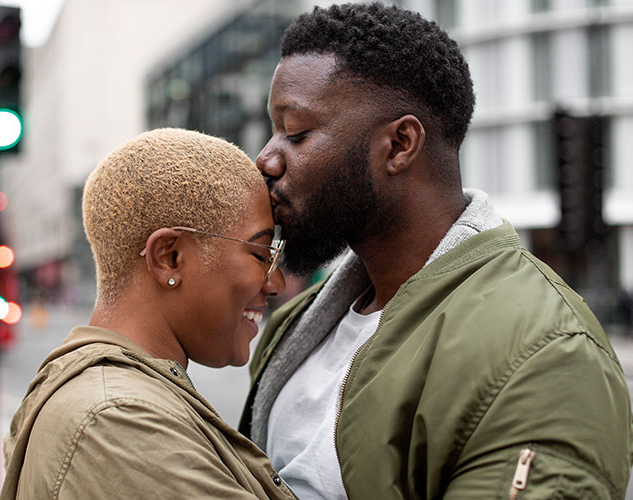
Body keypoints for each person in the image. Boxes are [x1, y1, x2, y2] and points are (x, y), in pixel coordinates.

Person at [239, 3, 633, 499]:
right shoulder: (294, 325)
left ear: (400, 144)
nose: (266, 158)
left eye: (295, 133)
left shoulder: (547, 353)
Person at [0, 128, 296, 499]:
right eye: (260, 255)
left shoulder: (112, 401)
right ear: (168, 258)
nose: (276, 284)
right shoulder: (117, 419)